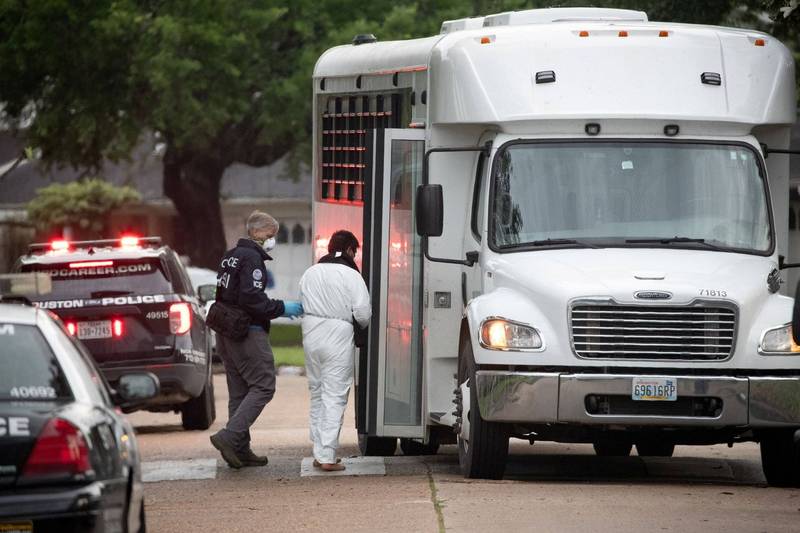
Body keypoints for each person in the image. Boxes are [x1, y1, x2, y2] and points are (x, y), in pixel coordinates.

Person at [209, 210, 303, 469]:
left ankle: (239, 449)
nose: (273, 239)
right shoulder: (251, 258)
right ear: (259, 233)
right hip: (246, 330)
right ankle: (229, 436)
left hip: (225, 331)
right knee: (263, 385)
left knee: (239, 390)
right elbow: (252, 299)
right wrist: (283, 308)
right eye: (271, 235)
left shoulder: (230, 256)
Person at [299, 230, 371, 471]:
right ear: (351, 250)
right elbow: (363, 314)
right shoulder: (351, 275)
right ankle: (327, 455)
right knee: (335, 393)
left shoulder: (310, 273)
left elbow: (302, 302)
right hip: (337, 333)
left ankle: (319, 449)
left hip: (311, 332)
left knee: (317, 391)